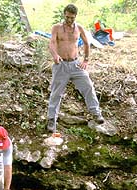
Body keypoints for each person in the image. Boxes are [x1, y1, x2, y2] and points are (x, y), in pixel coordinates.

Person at [47, 3, 104, 133]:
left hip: (76, 64)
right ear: (64, 15)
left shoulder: (79, 28)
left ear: (75, 16)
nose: (69, 20)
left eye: (72, 17)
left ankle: (96, 113)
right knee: (56, 93)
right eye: (67, 17)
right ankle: (51, 119)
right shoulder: (56, 28)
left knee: (88, 86)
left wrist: (86, 59)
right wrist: (55, 55)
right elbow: (52, 43)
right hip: (61, 64)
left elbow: (86, 43)